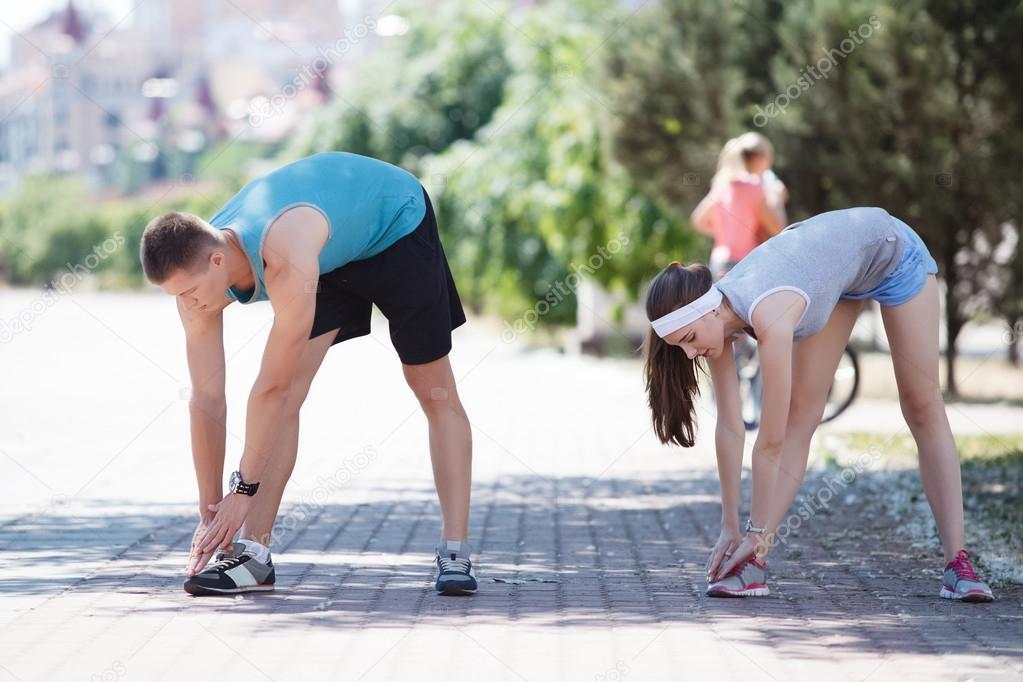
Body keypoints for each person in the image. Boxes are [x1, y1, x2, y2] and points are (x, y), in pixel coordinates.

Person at [139, 152, 477, 596]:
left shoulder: (284, 259)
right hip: (332, 250)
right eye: (176, 296)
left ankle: (455, 551)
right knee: (293, 390)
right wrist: (212, 512)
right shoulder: (195, 277)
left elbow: (269, 390)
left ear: (217, 263)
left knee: (430, 388)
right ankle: (253, 555)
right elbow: (207, 399)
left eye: (189, 292)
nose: (188, 303)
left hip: (394, 222)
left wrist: (242, 489)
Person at [642, 207, 994, 602]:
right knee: (802, 414)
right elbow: (730, 427)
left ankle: (958, 564)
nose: (691, 354)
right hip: (839, 275)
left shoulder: (768, 313)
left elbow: (770, 440)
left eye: (689, 339)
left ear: (706, 308)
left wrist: (755, 530)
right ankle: (754, 564)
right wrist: (730, 526)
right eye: (681, 347)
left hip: (891, 253)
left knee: (921, 405)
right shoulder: (716, 325)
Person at [690, 132, 788, 279]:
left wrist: (726, 234)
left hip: (718, 262)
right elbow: (778, 229)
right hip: (743, 263)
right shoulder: (755, 188)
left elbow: (698, 220)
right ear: (761, 158)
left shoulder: (722, 184)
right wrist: (777, 196)